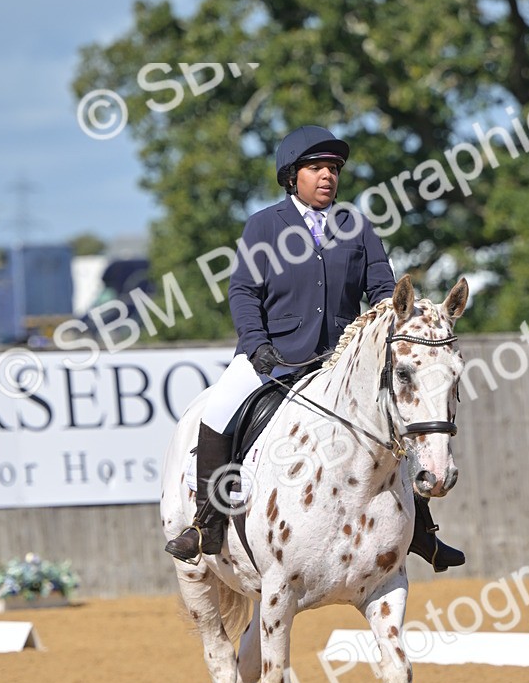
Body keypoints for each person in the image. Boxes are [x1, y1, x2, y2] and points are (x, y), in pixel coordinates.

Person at [165, 124, 465, 572]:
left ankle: (421, 529)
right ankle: (206, 521)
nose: (328, 176)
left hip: (341, 361)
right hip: (274, 357)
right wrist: (256, 345)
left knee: (396, 420)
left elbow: (382, 290)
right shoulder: (265, 225)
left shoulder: (356, 227)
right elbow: (244, 291)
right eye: (317, 168)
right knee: (219, 408)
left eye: (334, 169)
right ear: (292, 177)